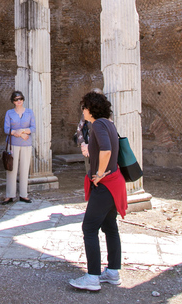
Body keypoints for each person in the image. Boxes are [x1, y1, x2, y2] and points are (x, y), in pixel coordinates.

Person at [69, 91, 127, 291]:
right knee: (110, 226)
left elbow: (107, 149)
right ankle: (112, 272)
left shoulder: (99, 125)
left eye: (84, 107)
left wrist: (100, 173)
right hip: (115, 183)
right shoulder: (109, 123)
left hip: (106, 184)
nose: (82, 111)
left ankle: (92, 277)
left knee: (89, 228)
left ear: (91, 109)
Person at [1, 90, 35, 204]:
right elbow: (6, 129)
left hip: (26, 144)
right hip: (13, 143)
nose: (18, 101)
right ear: (13, 101)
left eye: (20, 99)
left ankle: (23, 194)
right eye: (16, 99)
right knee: (11, 169)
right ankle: (10, 195)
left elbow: (33, 128)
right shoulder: (9, 113)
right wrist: (18, 133)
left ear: (23, 99)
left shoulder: (29, 112)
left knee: (25, 169)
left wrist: (23, 131)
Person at [74, 88, 104, 174]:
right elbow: (79, 128)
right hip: (88, 146)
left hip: (101, 147)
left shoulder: (106, 114)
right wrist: (83, 144)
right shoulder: (86, 112)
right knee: (90, 171)